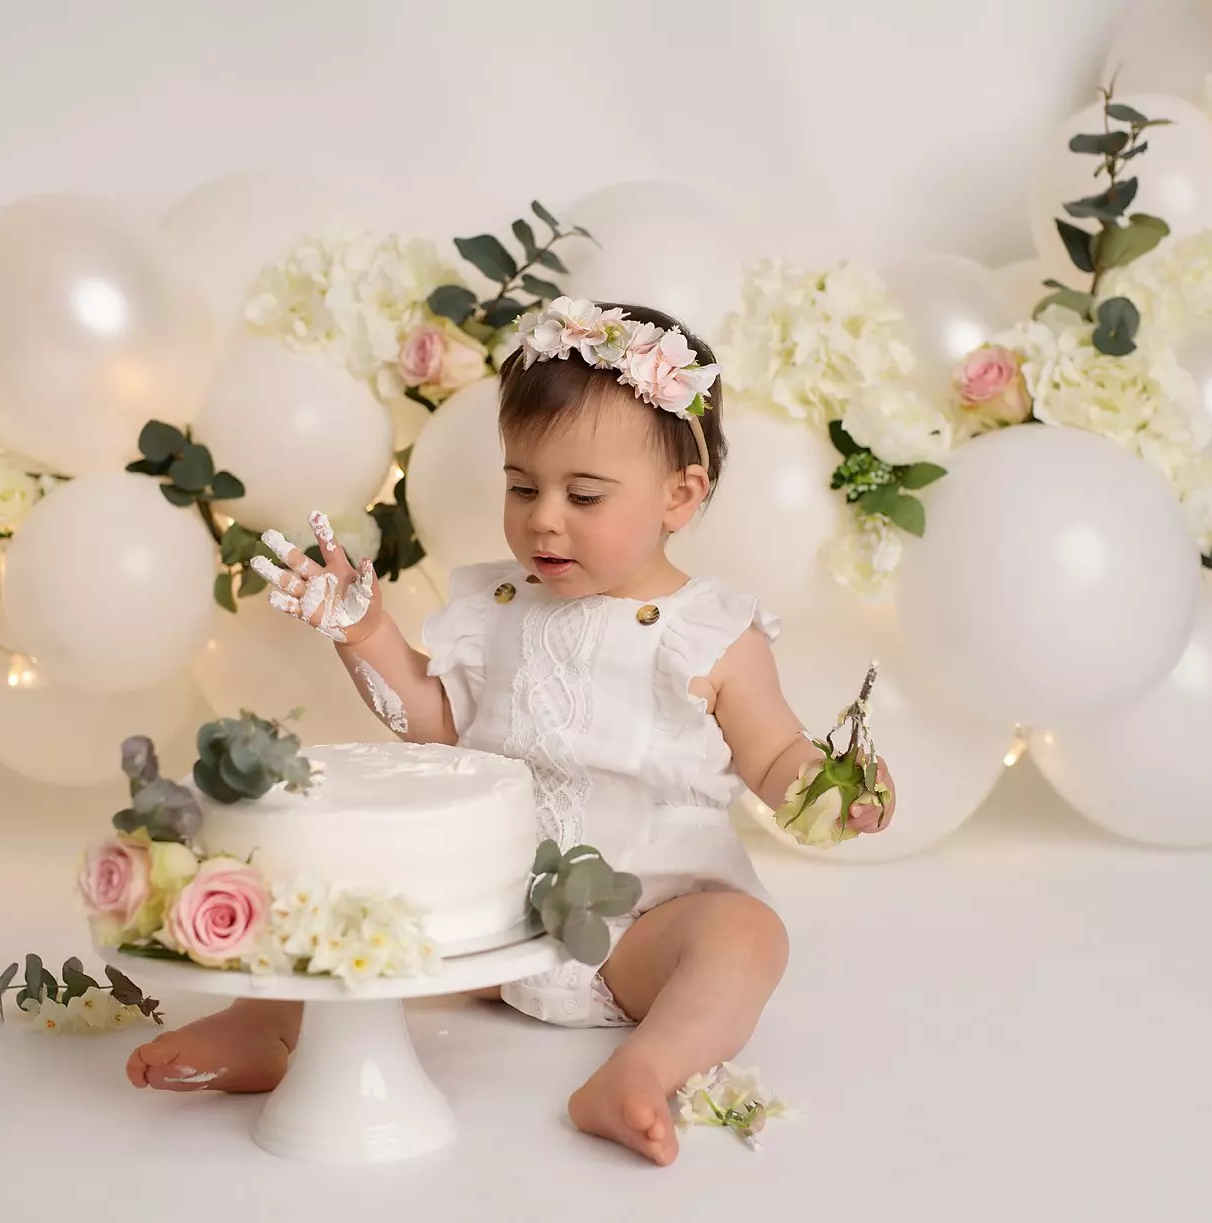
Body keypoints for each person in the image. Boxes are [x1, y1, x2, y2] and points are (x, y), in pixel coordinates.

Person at [125, 299, 895, 1165]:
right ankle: (267, 1023)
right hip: (497, 921)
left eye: (583, 495)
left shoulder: (711, 632)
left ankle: (643, 1068)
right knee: (362, 890)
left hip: (643, 929)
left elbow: (776, 755)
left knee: (746, 936)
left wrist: (835, 788)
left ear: (680, 495)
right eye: (523, 486)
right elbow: (436, 724)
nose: (543, 518)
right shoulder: (497, 607)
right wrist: (363, 631)